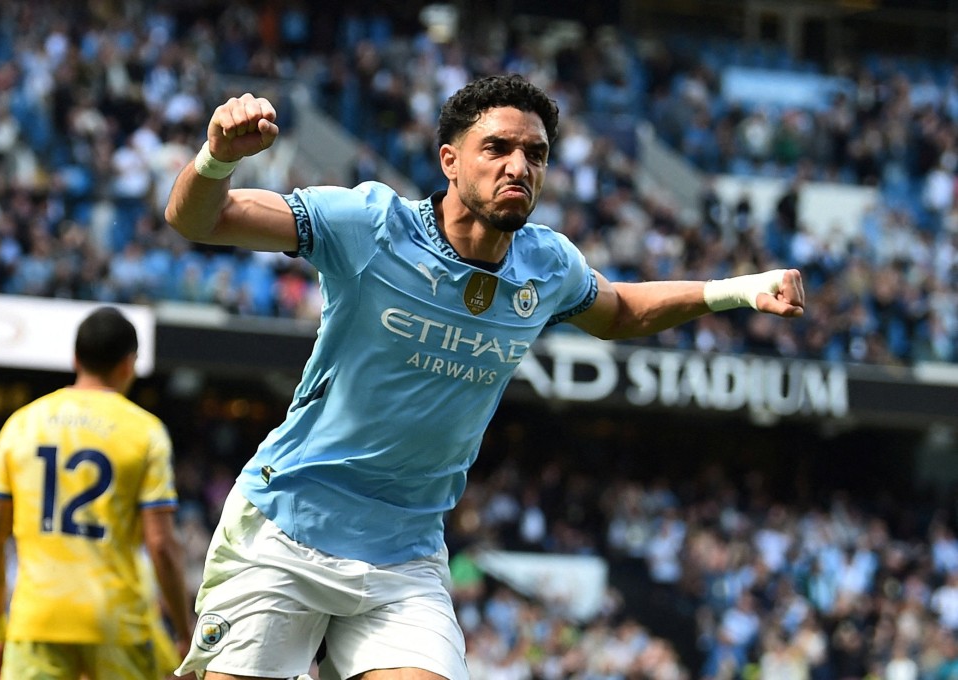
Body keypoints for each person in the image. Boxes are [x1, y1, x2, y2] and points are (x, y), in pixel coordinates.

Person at [164, 73, 805, 680]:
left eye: (536, 154)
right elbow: (199, 219)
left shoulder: (547, 265)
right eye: (497, 148)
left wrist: (741, 291)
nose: (519, 167)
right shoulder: (370, 225)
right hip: (287, 527)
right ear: (450, 160)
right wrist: (217, 158)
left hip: (405, 553)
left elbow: (622, 312)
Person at [0, 306, 194, 680]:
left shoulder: (21, 425)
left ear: (76, 358)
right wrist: (184, 631)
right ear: (129, 364)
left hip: (36, 619)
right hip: (116, 622)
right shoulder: (145, 432)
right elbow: (161, 545)